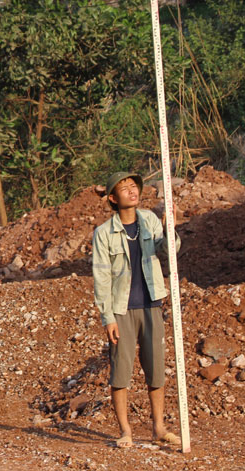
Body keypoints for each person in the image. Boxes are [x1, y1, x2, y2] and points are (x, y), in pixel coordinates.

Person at [91, 171, 180, 449]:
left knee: (155, 369)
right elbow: (101, 277)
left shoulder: (151, 220)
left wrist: (170, 228)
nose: (132, 191)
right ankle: (125, 431)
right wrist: (108, 318)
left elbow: (168, 253)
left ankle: (158, 427)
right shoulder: (104, 233)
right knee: (121, 371)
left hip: (152, 304)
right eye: (124, 188)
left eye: (134, 186)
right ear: (114, 199)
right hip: (121, 309)